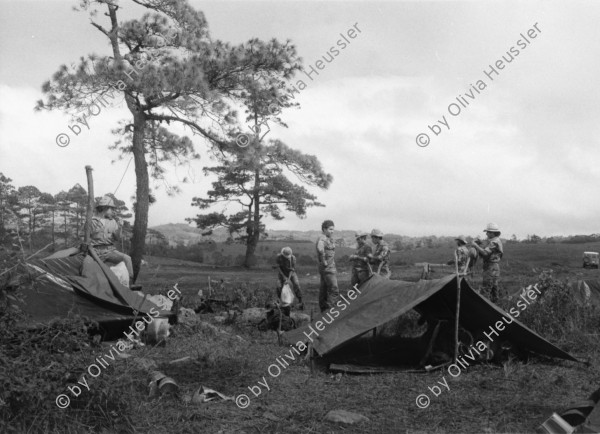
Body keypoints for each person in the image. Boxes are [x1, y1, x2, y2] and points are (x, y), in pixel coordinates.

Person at [90, 195, 135, 286]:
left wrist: (119, 227)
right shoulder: (92, 221)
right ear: (104, 208)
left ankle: (130, 284)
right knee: (93, 270)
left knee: (127, 259)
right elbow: (84, 237)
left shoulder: (113, 221)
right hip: (95, 251)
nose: (113, 211)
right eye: (111, 209)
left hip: (110, 251)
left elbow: (117, 238)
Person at [470, 223, 503, 302]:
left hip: (491, 267)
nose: (486, 234)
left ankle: (486, 309)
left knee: (486, 290)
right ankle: (496, 308)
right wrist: (480, 244)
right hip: (492, 267)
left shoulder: (494, 242)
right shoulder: (494, 241)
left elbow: (485, 253)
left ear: (492, 233)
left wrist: (475, 246)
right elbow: (486, 250)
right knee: (493, 290)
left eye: (488, 232)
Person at [316, 220, 339, 312]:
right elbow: (320, 248)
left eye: (333, 229)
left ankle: (324, 310)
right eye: (330, 229)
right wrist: (324, 260)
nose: (332, 231)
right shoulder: (323, 238)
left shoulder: (328, 238)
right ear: (324, 229)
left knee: (324, 289)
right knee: (334, 290)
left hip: (326, 267)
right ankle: (332, 311)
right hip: (328, 268)